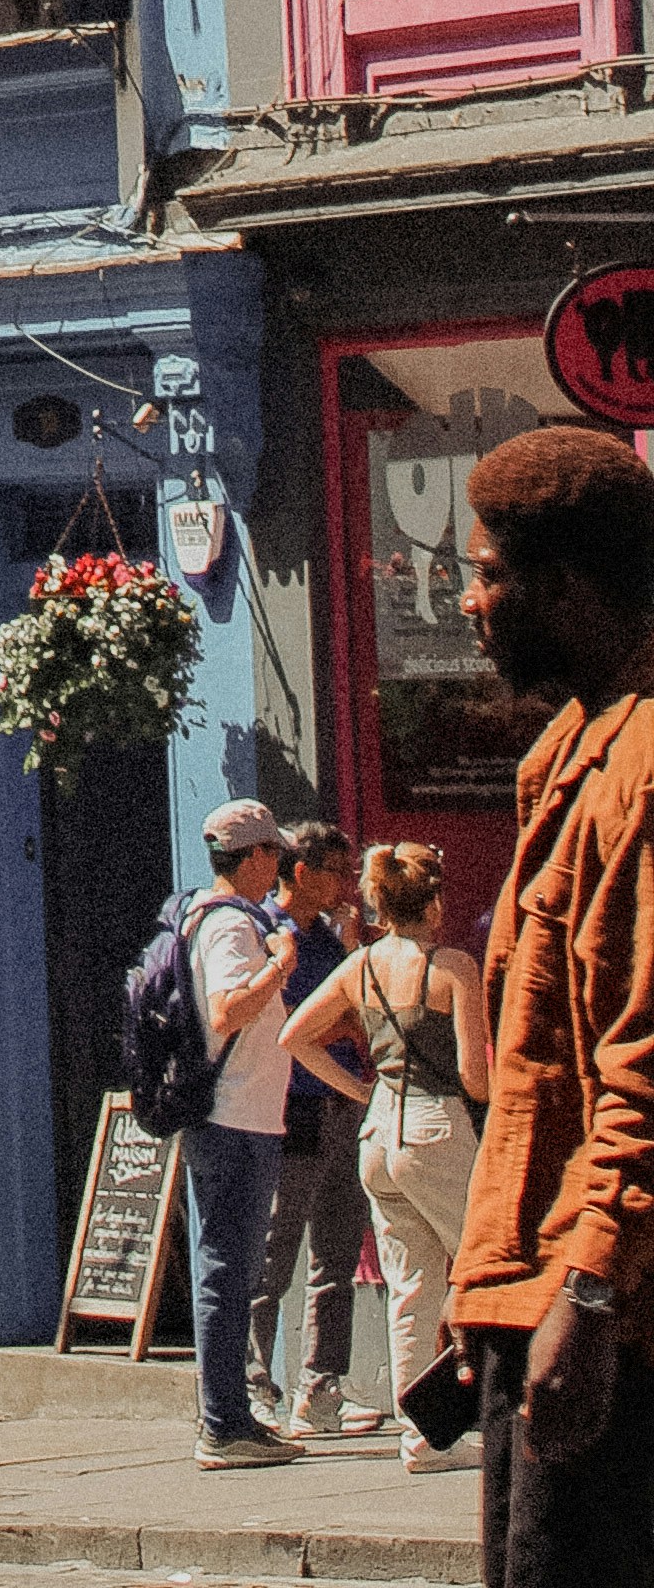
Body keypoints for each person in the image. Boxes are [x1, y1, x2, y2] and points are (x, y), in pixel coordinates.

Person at [449, 421, 654, 1588]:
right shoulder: (573, 747)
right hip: (543, 1296)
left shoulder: (643, 766)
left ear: (566, 586)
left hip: (617, 1321)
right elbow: (538, 1078)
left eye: (487, 575)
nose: (471, 604)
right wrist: (491, 1273)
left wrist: (583, 1288)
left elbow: (644, 1069)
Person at [285, 840, 491, 1472]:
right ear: (434, 900)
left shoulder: (363, 965)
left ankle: (421, 1439)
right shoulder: (453, 967)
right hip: (438, 1129)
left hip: (378, 1135)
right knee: (488, 1263)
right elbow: (475, 1078)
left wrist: (359, 1086)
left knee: (410, 1288)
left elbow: (295, 1036)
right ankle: (513, 1415)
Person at [182, 798, 306, 1467]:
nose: (281, 865)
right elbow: (229, 1010)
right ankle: (223, 1424)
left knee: (231, 1269)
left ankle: (230, 1419)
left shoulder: (228, 919)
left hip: (242, 1116)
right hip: (233, 1118)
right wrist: (280, 965)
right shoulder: (228, 926)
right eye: (275, 854)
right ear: (252, 856)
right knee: (228, 1271)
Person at [254, 823, 377, 1439]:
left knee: (336, 1253)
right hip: (294, 1110)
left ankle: (321, 1389)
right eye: (335, 870)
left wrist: (353, 947)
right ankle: (255, 1389)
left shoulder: (329, 939)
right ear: (301, 871)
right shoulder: (270, 934)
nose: (346, 883)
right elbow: (284, 1027)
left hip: (342, 1110)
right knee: (273, 1255)